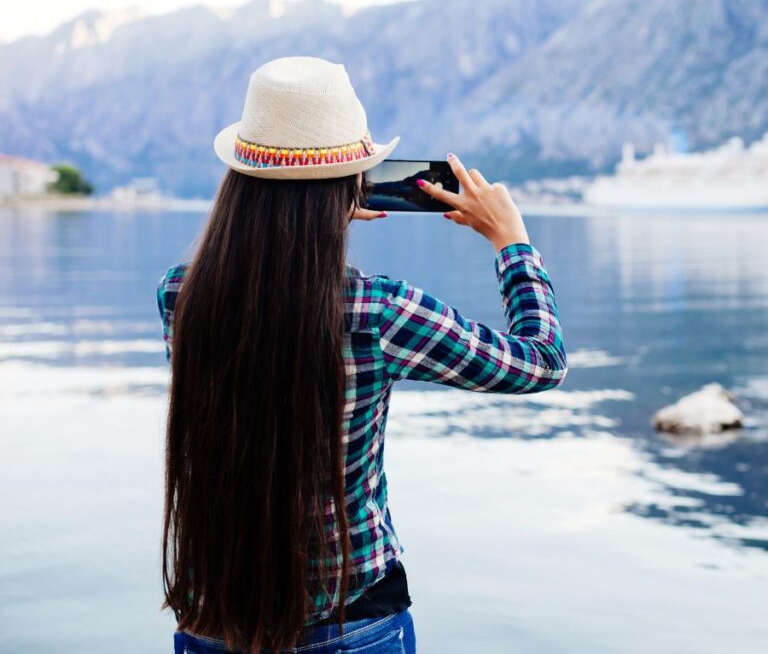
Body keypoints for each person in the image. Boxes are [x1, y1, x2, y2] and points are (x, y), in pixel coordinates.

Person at [157, 55, 567, 654]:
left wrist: (311, 207)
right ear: (354, 181)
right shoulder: (379, 313)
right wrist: (513, 243)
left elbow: (267, 280)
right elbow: (541, 362)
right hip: (352, 623)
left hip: (212, 618)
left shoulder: (180, 296)